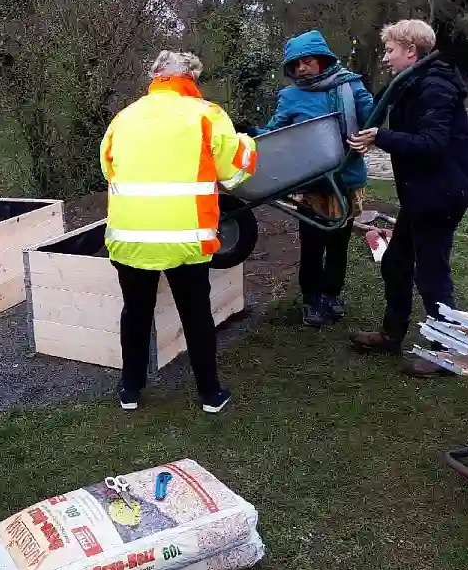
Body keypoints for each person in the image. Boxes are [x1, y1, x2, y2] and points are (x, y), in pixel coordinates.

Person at [100, 50, 257, 414]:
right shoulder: (207, 115)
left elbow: (109, 169)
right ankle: (210, 394)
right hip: (186, 238)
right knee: (195, 313)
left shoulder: (123, 118)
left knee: (135, 313)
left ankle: (130, 390)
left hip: (131, 238)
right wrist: (249, 142)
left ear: (155, 77)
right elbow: (234, 172)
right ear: (192, 79)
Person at [347, 19, 468, 376]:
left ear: (410, 51)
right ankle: (391, 334)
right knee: (396, 263)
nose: (385, 58)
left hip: (443, 194)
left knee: (432, 275)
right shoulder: (413, 83)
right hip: (423, 194)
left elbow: (431, 144)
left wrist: (380, 137)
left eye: (390, 50)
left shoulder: (435, 87)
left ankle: (446, 353)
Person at [254, 30, 374, 328]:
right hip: (312, 183)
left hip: (346, 178)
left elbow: (372, 118)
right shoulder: (291, 97)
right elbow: (275, 133)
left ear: (322, 59)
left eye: (306, 62)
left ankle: (331, 295)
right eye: (295, 65)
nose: (301, 69)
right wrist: (250, 134)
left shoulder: (350, 86)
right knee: (312, 243)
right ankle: (311, 301)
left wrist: (375, 130)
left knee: (339, 242)